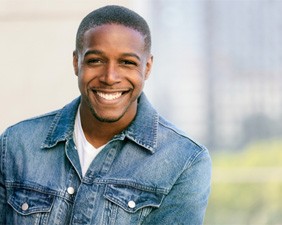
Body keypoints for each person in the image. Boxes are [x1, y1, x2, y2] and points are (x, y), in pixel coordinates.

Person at [0, 5, 211, 225]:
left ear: (147, 67)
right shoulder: (16, 144)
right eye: (96, 61)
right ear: (76, 63)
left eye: (127, 62)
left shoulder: (184, 160)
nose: (110, 77)